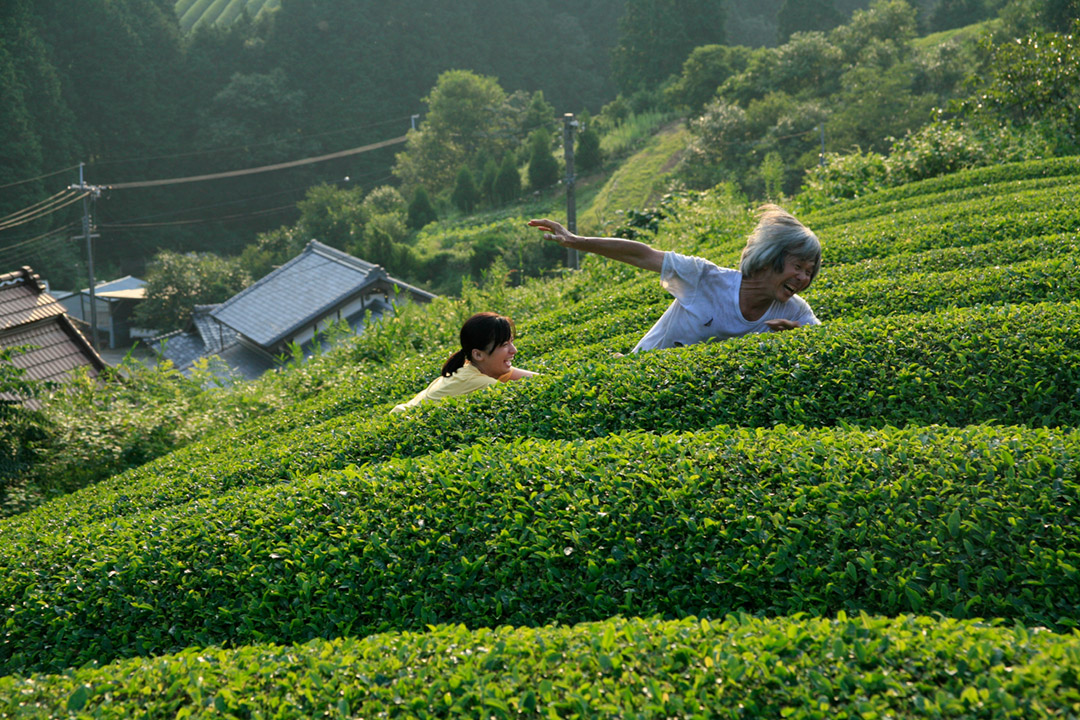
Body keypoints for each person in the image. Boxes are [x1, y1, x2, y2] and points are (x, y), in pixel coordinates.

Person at [528, 204, 821, 352]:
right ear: (771, 259)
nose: (803, 278)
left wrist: (797, 335)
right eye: (798, 267)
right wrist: (575, 241)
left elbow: (824, 343)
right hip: (641, 373)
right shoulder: (706, 278)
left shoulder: (795, 311)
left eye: (809, 272)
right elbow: (643, 255)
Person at [391, 312, 536, 413]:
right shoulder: (479, 381)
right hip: (399, 423)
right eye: (504, 345)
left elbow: (536, 379)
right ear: (478, 354)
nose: (514, 350)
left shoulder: (471, 368)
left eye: (511, 342)